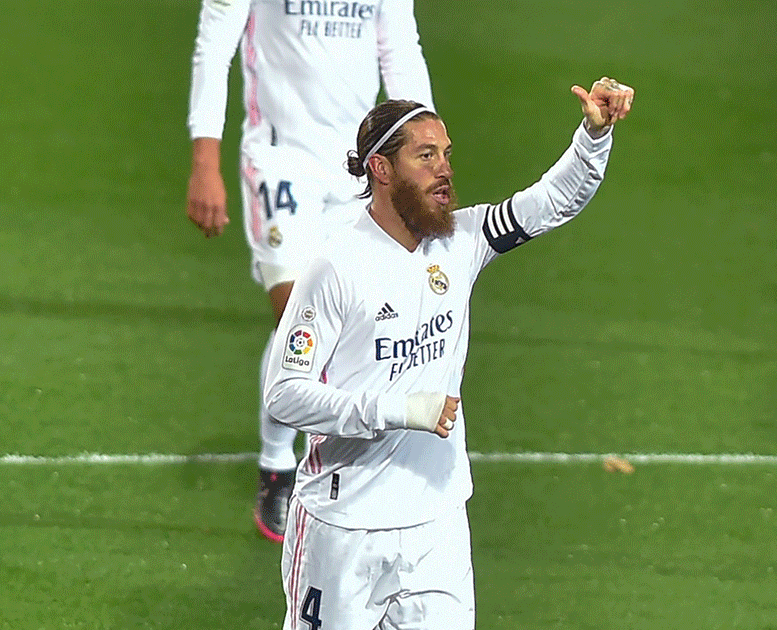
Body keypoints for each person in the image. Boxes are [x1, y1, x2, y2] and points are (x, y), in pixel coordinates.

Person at [262, 77, 633, 629]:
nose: (445, 169)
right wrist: (397, 411)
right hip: (344, 529)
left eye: (447, 154)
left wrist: (594, 135)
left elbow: (553, 200)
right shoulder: (336, 266)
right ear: (381, 170)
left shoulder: (461, 240)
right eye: (426, 155)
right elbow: (283, 394)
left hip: (437, 521)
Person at [184, 0, 435, 542]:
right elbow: (215, 46)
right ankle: (278, 466)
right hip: (280, 160)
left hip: (357, 167)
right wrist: (205, 159)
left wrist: (424, 155)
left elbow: (400, 51)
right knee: (296, 313)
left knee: (354, 321)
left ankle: (332, 466)